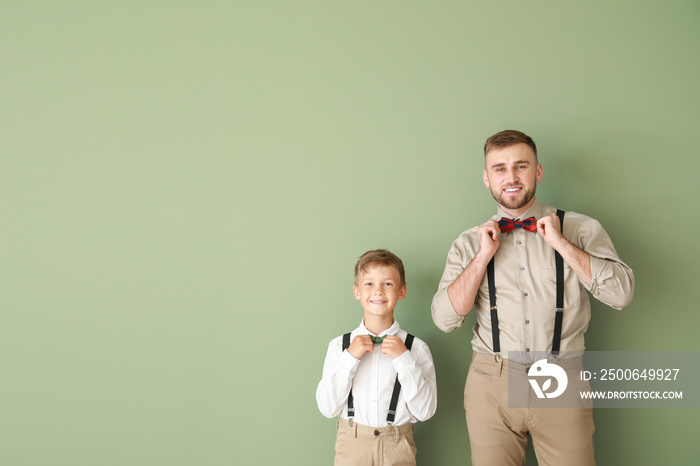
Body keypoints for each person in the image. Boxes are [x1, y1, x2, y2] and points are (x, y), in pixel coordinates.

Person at [431, 130, 634, 465]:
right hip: (491, 381)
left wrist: (562, 245)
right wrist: (482, 257)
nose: (510, 177)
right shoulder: (469, 243)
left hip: (561, 376)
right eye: (499, 168)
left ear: (537, 171)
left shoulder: (580, 228)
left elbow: (622, 294)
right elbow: (444, 319)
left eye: (520, 166)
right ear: (487, 178)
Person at [317, 249, 438, 466]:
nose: (378, 291)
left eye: (388, 284)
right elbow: (328, 408)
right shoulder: (339, 347)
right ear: (357, 291)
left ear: (401, 292)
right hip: (351, 445)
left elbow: (425, 411)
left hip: (398, 446)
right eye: (369, 284)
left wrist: (404, 359)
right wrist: (350, 358)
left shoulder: (417, 348)